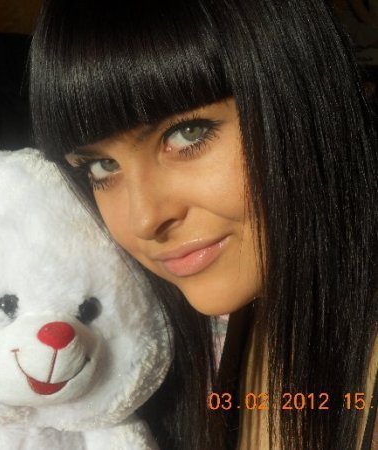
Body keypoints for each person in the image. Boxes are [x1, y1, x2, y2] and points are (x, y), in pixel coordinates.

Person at [28, 0, 378, 448]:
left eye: (187, 133)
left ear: (306, 95)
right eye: (101, 166)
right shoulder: (168, 350)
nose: (145, 219)